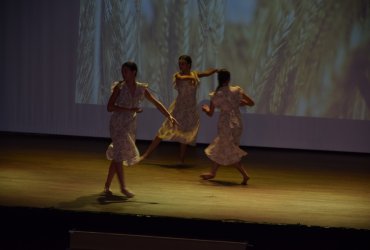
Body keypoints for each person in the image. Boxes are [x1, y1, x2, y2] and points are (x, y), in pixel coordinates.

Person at [104, 61, 178, 198]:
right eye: (123, 71)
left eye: (126, 71)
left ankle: (107, 186)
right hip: (118, 124)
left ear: (134, 73)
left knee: (117, 154)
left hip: (130, 125)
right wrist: (129, 109)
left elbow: (156, 102)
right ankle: (123, 187)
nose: (123, 73)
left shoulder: (141, 89)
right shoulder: (119, 88)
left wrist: (169, 116)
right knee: (119, 153)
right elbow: (109, 107)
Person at [140, 55, 218, 163]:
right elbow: (182, 78)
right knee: (163, 130)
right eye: (179, 63)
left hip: (190, 109)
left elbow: (207, 72)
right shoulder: (178, 75)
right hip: (178, 108)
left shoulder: (195, 74)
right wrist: (193, 77)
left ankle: (181, 159)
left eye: (183, 63)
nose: (180, 66)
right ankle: (146, 154)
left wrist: (215, 70)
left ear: (189, 65)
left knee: (184, 134)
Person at [200, 69, 255, 185]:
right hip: (237, 123)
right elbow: (251, 103)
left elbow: (210, 114)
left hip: (225, 124)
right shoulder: (236, 90)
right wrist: (239, 103)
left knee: (228, 150)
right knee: (222, 147)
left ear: (218, 79)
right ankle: (212, 172)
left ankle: (245, 175)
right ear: (229, 79)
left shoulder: (216, 95)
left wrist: (205, 109)